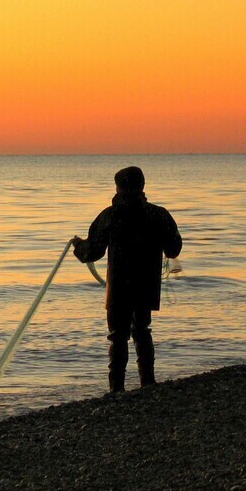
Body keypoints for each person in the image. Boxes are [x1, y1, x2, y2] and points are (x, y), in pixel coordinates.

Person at [72, 166, 181, 394]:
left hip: (119, 286)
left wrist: (78, 246)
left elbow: (93, 251)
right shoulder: (157, 214)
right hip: (146, 283)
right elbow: (174, 248)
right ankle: (148, 383)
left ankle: (116, 389)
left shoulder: (110, 216)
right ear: (142, 186)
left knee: (118, 336)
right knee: (142, 329)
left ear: (119, 188)